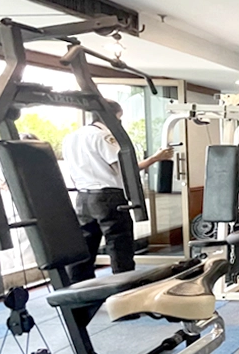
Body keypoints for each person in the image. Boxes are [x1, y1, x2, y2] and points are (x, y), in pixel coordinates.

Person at [63, 99, 174, 282]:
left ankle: (78, 289)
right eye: (119, 118)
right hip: (108, 196)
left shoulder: (71, 137)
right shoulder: (104, 136)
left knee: (85, 246)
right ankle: (124, 285)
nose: (120, 122)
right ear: (110, 116)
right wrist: (155, 158)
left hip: (83, 197)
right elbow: (125, 169)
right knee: (119, 243)